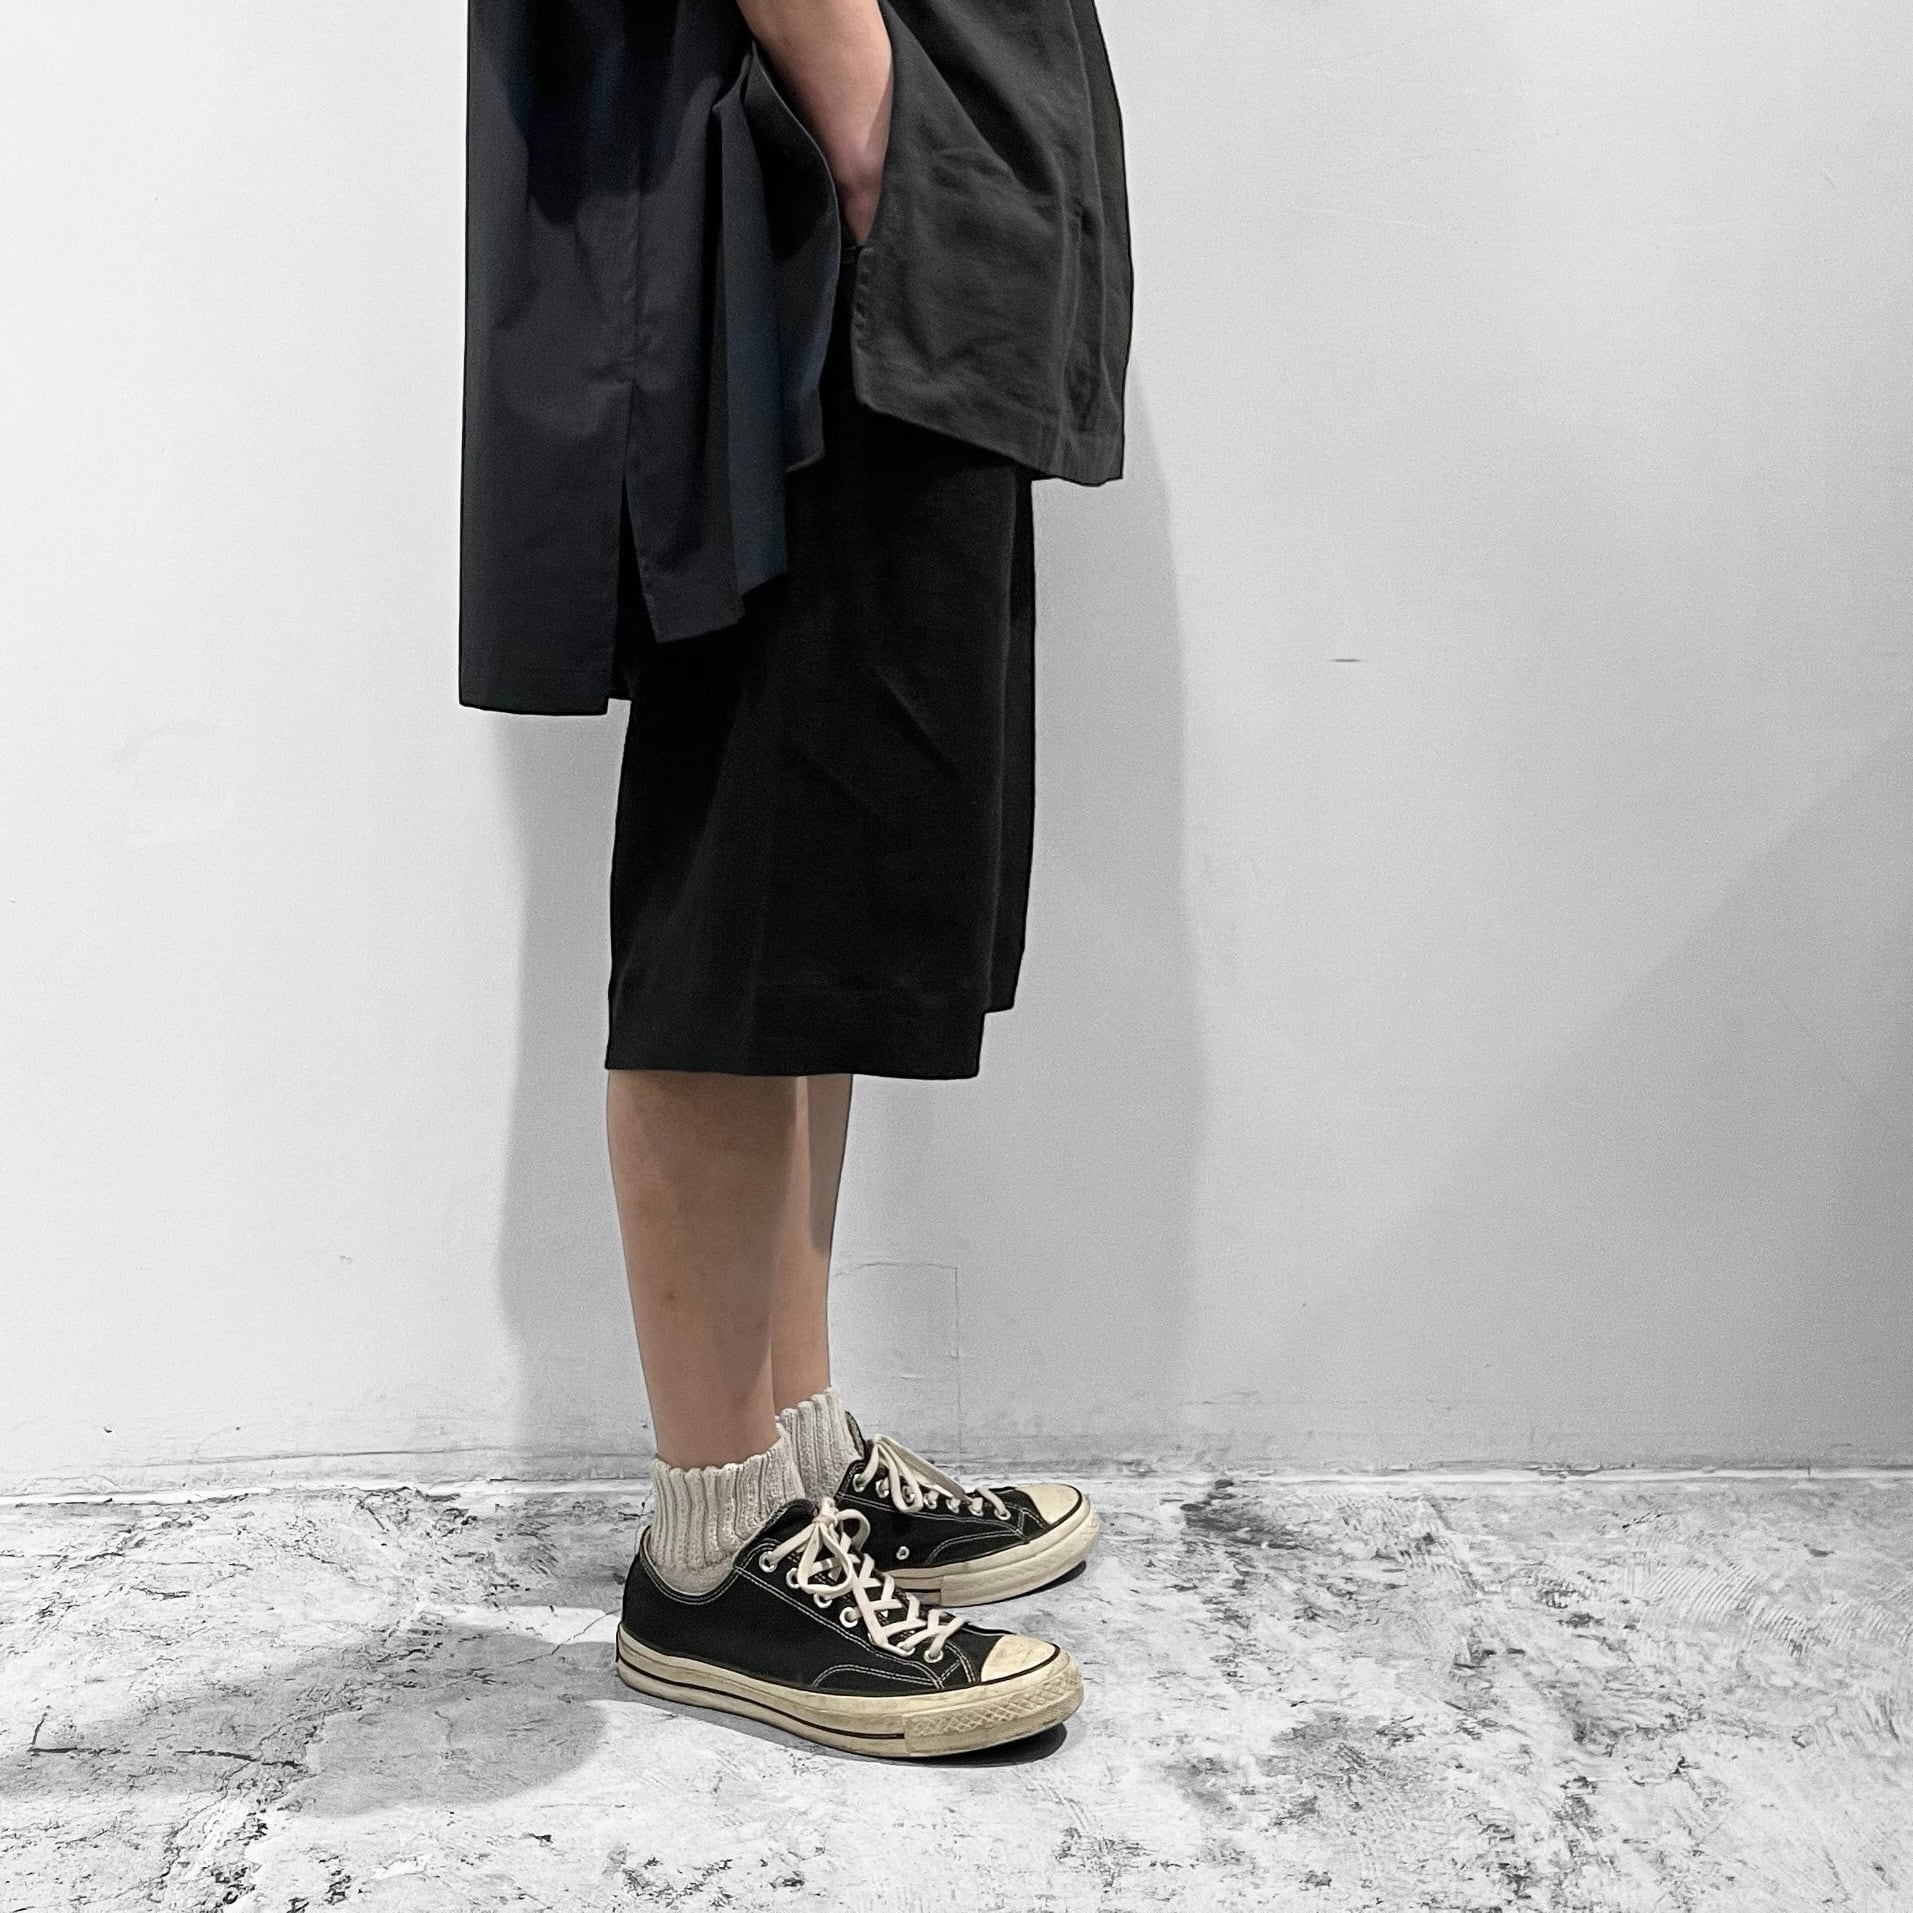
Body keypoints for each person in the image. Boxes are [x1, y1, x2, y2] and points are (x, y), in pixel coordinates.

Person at [460, 0, 1133, 1758]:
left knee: (823, 883)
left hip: (895, 182)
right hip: (809, 190)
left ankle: (796, 1448)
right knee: (744, 879)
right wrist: (866, 114)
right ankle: (714, 1543)